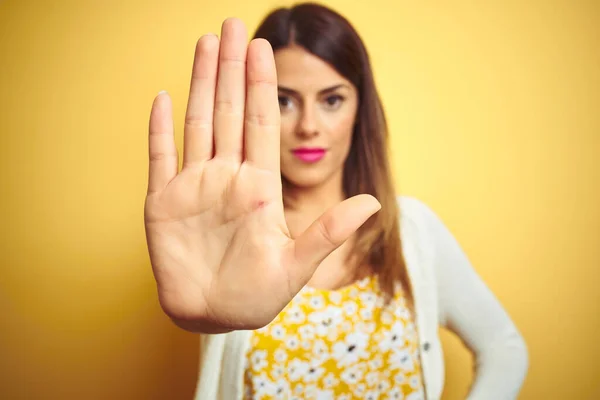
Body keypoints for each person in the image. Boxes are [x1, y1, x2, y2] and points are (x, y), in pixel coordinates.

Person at [144, 3, 528, 399]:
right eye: (284, 101)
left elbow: (504, 348)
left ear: (361, 108)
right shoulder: (230, 237)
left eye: (331, 100)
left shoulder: (414, 231)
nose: (309, 127)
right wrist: (208, 316)